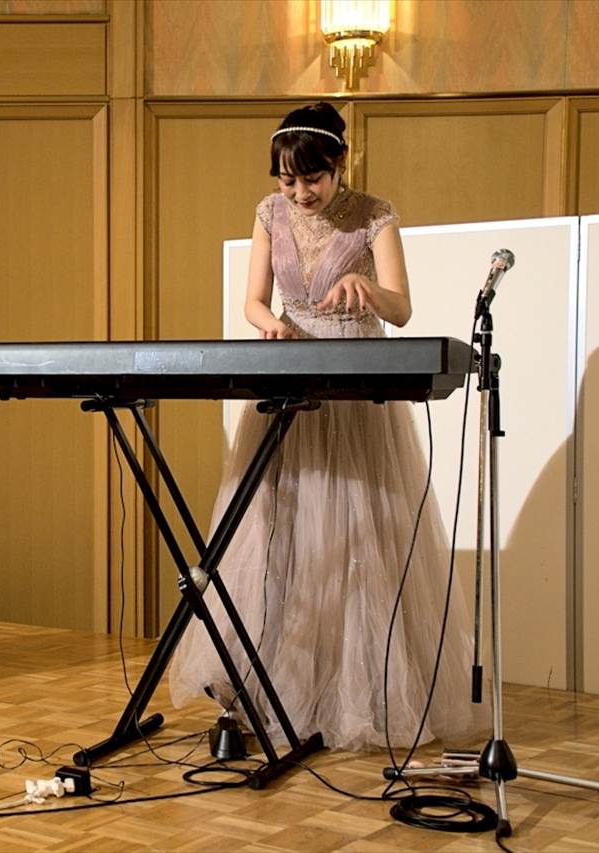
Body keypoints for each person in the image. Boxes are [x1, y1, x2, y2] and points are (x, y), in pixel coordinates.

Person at [168, 104, 482, 752]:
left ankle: (356, 691)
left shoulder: (374, 215)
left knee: (355, 529)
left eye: (311, 179)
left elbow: (402, 307)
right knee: (277, 527)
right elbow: (253, 300)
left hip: (353, 382)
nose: (299, 193)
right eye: (288, 181)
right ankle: (270, 685)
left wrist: (367, 289)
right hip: (289, 372)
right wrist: (270, 325)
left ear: (340, 164)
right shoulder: (269, 214)